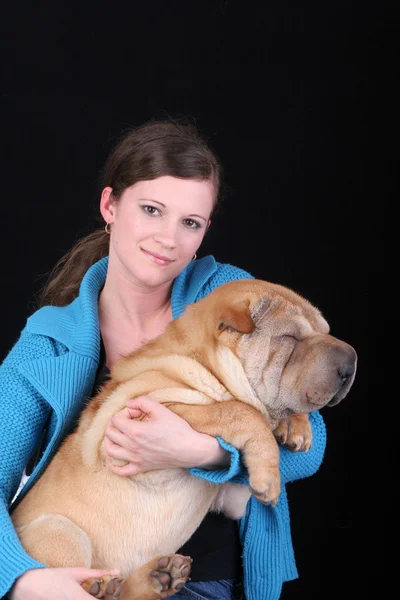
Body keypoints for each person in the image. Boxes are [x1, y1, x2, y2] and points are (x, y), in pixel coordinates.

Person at [0, 119, 327, 600]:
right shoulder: (49, 343)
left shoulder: (229, 300)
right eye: (152, 210)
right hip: (78, 576)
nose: (168, 239)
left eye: (189, 223)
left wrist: (202, 452)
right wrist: (23, 578)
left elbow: (310, 447)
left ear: (204, 232)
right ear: (110, 206)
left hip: (213, 575)